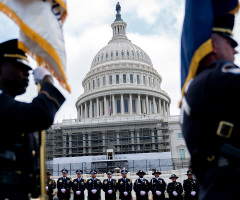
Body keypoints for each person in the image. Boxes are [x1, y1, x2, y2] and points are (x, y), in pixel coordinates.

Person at [181, 13, 240, 200]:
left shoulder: (198, 86)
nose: (235, 51)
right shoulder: (219, 78)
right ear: (213, 46)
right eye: (231, 44)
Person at [0, 39, 65, 200]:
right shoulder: (2, 106)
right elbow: (41, 114)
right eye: (20, 67)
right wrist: (47, 81)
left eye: (28, 69)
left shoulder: (12, 109)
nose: (27, 73)